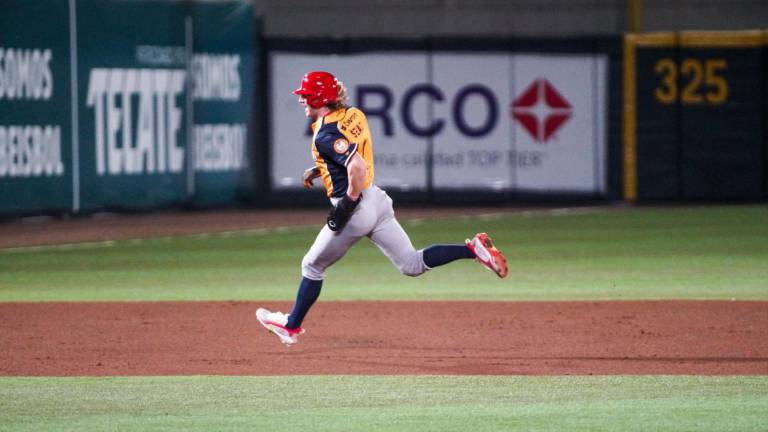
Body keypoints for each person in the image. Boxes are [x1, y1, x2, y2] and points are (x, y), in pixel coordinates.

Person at [256, 71, 508, 345]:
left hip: (356, 208)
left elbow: (356, 166)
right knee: (411, 264)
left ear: (319, 97)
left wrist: (348, 202)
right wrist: (321, 170)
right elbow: (351, 154)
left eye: (305, 96)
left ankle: (291, 327)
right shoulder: (352, 114)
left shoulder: (325, 133)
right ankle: (472, 250)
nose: (302, 100)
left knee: (312, 266)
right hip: (376, 199)